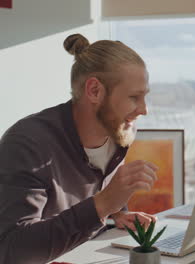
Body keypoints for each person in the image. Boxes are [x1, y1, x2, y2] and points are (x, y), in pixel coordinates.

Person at [0, 34, 159, 264]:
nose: (143, 110)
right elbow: (12, 251)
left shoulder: (116, 132)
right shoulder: (27, 144)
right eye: (134, 97)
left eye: (144, 97)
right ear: (94, 91)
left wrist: (117, 214)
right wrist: (103, 205)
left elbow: (94, 205)